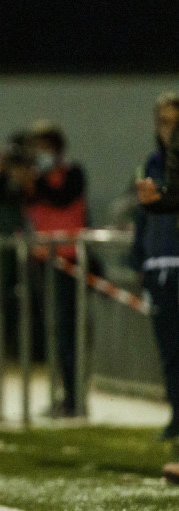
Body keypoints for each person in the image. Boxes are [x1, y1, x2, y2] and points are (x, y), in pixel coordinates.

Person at [14, 121, 90, 417]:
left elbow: (62, 199)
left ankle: (74, 398)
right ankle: (64, 395)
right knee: (54, 332)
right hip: (43, 260)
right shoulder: (33, 180)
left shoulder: (72, 173)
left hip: (68, 261)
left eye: (42, 147)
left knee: (69, 331)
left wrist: (36, 180)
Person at [134, 91, 179, 441]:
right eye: (163, 122)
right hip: (159, 264)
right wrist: (140, 258)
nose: (169, 130)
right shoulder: (151, 163)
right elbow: (143, 215)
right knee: (169, 350)